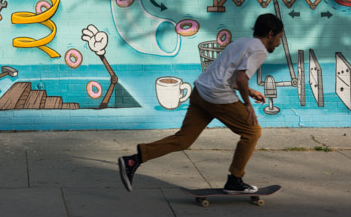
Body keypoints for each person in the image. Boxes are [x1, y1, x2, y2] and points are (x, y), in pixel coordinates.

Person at [118, 13, 285, 194]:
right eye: (279, 37)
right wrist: (248, 105)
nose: (279, 42)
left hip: (200, 92)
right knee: (252, 131)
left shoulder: (241, 43)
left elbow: (226, 74)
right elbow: (242, 78)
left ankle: (134, 160)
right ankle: (235, 180)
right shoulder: (259, 50)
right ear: (270, 34)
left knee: (183, 140)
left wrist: (250, 92)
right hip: (218, 97)